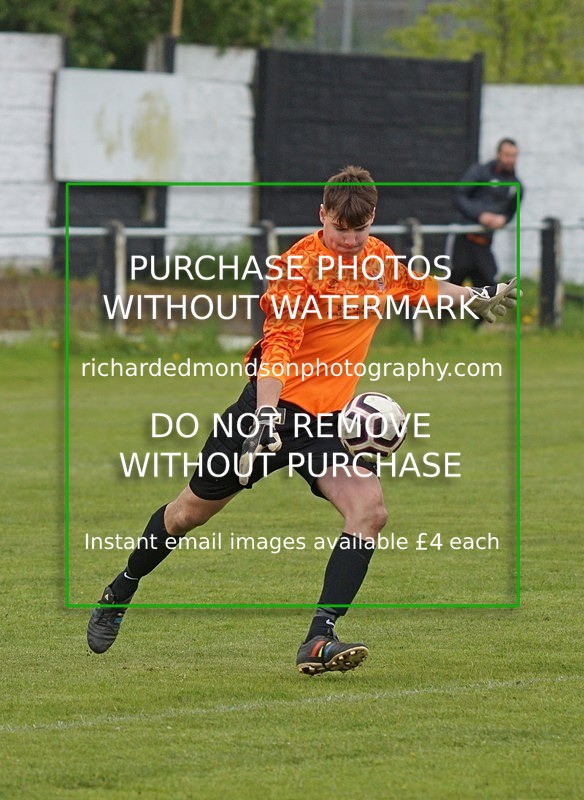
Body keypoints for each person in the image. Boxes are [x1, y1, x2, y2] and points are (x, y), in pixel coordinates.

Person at [87, 166, 519, 675]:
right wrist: (264, 418)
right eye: (340, 229)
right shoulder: (297, 268)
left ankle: (319, 638)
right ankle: (121, 590)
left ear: (372, 220)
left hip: (328, 426)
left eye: (359, 231)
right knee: (188, 513)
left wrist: (475, 298)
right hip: (269, 413)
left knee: (369, 510)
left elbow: (416, 285)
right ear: (323, 215)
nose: (350, 241)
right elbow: (279, 348)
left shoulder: (377, 259)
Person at [448, 138, 524, 287]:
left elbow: (511, 212)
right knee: (452, 285)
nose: (511, 160)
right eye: (507, 155)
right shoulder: (479, 172)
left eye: (514, 156)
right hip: (464, 239)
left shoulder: (516, 186)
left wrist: (503, 219)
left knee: (488, 285)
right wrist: (480, 215)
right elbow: (458, 196)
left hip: (484, 243)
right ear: (498, 154)